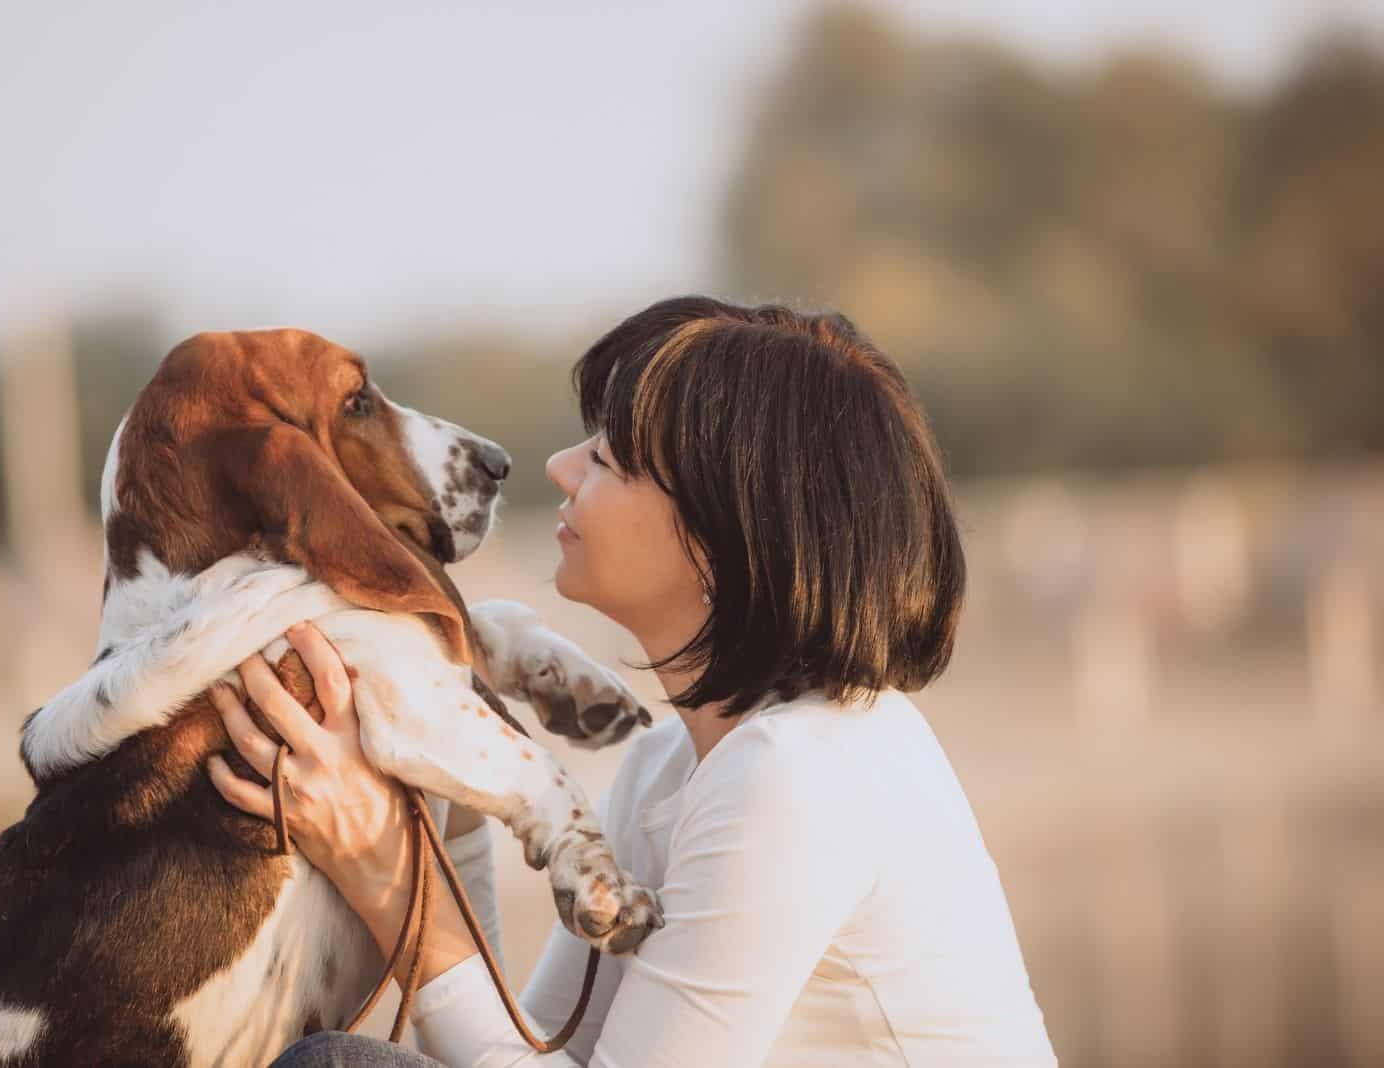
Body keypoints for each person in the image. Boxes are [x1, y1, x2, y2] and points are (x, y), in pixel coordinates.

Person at [207, 296, 1058, 1066]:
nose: (559, 468)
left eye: (609, 459)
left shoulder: (801, 775)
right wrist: (454, 821)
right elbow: (537, 1047)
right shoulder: (674, 765)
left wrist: (390, 883)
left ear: (726, 534)